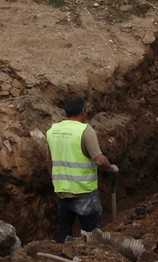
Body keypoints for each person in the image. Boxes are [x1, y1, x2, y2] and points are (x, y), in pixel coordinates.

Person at [46, 95, 119, 244]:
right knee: (92, 235)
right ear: (83, 111)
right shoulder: (85, 131)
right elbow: (99, 160)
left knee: (63, 232)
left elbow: (49, 160)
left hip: (62, 192)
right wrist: (111, 168)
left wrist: (56, 180)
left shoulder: (52, 131)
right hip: (84, 193)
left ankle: (60, 259)